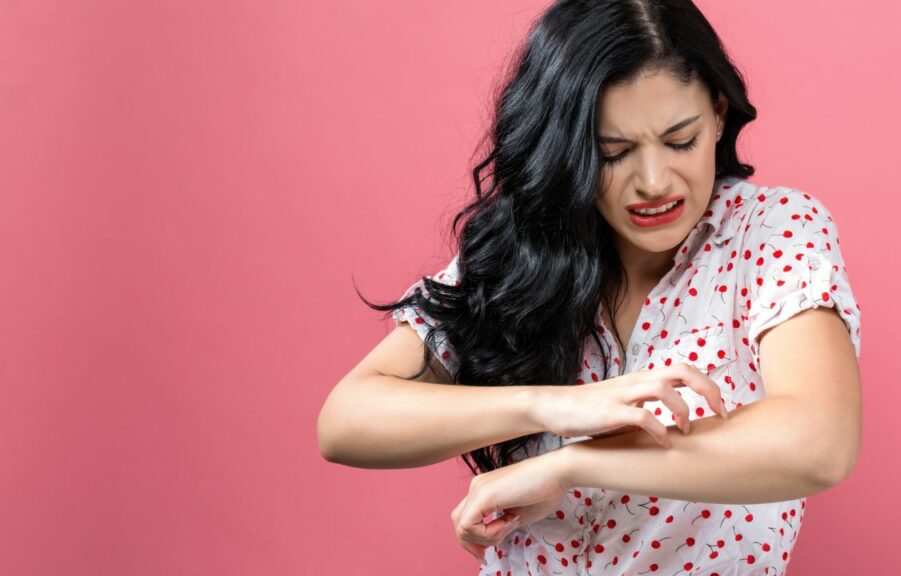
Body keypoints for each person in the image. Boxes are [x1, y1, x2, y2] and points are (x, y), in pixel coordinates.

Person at [318, 0, 863, 574]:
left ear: (719, 114)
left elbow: (818, 440)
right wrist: (560, 406)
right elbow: (346, 421)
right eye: (613, 154)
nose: (654, 182)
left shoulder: (771, 231)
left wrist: (569, 464)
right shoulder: (525, 252)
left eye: (681, 141)